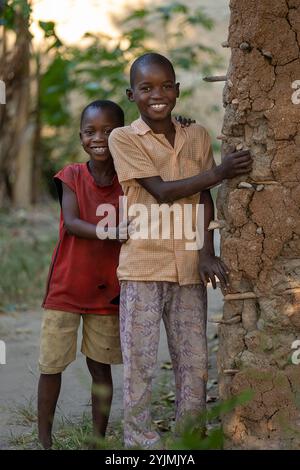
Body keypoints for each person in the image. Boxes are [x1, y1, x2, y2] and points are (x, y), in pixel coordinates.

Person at [108, 52, 252, 448]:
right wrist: (222, 171)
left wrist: (207, 252)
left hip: (190, 263)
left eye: (166, 86)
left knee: (193, 362)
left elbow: (204, 194)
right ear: (131, 94)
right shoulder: (122, 138)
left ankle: (189, 437)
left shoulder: (198, 135)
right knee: (139, 362)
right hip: (144, 263)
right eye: (147, 88)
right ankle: (140, 441)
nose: (158, 94)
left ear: (177, 90)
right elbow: (162, 192)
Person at [38, 100, 127, 450]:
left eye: (108, 130)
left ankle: (97, 441)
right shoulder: (72, 175)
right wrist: (115, 231)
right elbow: (73, 224)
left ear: (123, 135)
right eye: (91, 131)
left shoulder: (129, 179)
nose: (99, 137)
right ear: (80, 138)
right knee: (51, 365)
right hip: (66, 289)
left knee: (100, 367)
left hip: (107, 291)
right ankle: (44, 439)